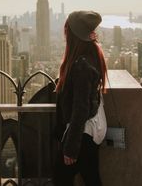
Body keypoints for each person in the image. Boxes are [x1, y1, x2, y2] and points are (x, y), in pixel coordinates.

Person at [53, 10, 107, 186]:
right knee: (91, 178)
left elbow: (80, 109)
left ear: (73, 35)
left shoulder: (81, 65)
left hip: (83, 134)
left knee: (62, 178)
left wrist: (70, 148)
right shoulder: (91, 54)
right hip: (90, 132)